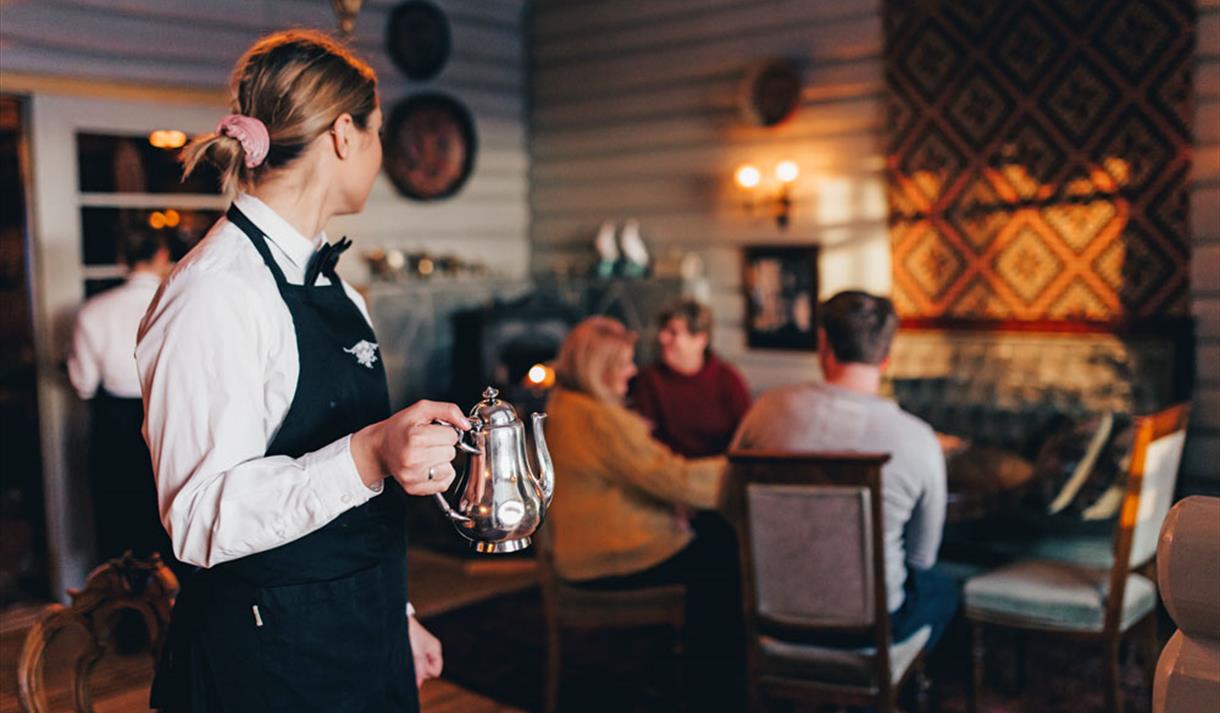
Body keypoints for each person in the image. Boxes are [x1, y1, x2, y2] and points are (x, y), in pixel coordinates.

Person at [136, 30, 468, 713]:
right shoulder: (217, 291)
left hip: (363, 633)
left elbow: (354, 508)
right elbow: (199, 520)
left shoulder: (336, 288)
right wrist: (369, 453)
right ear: (344, 135)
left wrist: (395, 615)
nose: (379, 151)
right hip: (267, 666)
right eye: (378, 132)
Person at [732, 290, 957, 650]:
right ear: (886, 356)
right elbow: (921, 556)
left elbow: (729, 505)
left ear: (823, 344)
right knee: (943, 589)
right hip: (868, 630)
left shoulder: (766, 411)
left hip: (772, 618)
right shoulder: (919, 440)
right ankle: (889, 681)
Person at [544, 316, 743, 709]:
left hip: (579, 551)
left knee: (714, 539)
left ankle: (695, 673)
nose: (633, 371)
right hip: (608, 560)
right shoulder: (598, 421)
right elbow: (675, 479)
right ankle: (714, 689)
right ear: (598, 370)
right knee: (725, 556)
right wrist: (742, 466)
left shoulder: (564, 406)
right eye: (624, 363)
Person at [68, 229, 173, 566]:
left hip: (115, 423)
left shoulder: (94, 310)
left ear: (122, 260)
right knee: (169, 518)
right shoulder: (177, 303)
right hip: (170, 417)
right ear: (161, 256)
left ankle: (122, 596)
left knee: (120, 520)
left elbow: (84, 384)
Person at [631, 299, 751, 458]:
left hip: (720, 470)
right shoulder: (648, 381)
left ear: (700, 340)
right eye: (663, 330)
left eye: (673, 332)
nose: (662, 338)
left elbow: (747, 438)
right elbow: (643, 445)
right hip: (666, 470)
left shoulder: (728, 380)